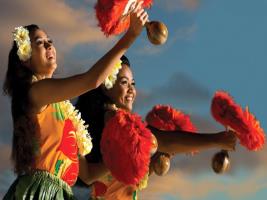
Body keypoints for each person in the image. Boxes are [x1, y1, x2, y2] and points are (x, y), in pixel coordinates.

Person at [2, 2, 148, 199]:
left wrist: (124, 161)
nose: (49, 44)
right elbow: (92, 80)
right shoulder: (35, 93)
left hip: (62, 193)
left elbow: (87, 176)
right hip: (42, 191)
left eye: (49, 40)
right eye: (39, 42)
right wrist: (129, 37)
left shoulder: (65, 112)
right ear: (25, 58)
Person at [75, 55, 237, 200]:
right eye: (124, 82)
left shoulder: (103, 121)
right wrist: (217, 139)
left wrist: (153, 161)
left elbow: (104, 177)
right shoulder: (114, 118)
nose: (131, 89)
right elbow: (161, 140)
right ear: (106, 86)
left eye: (133, 83)